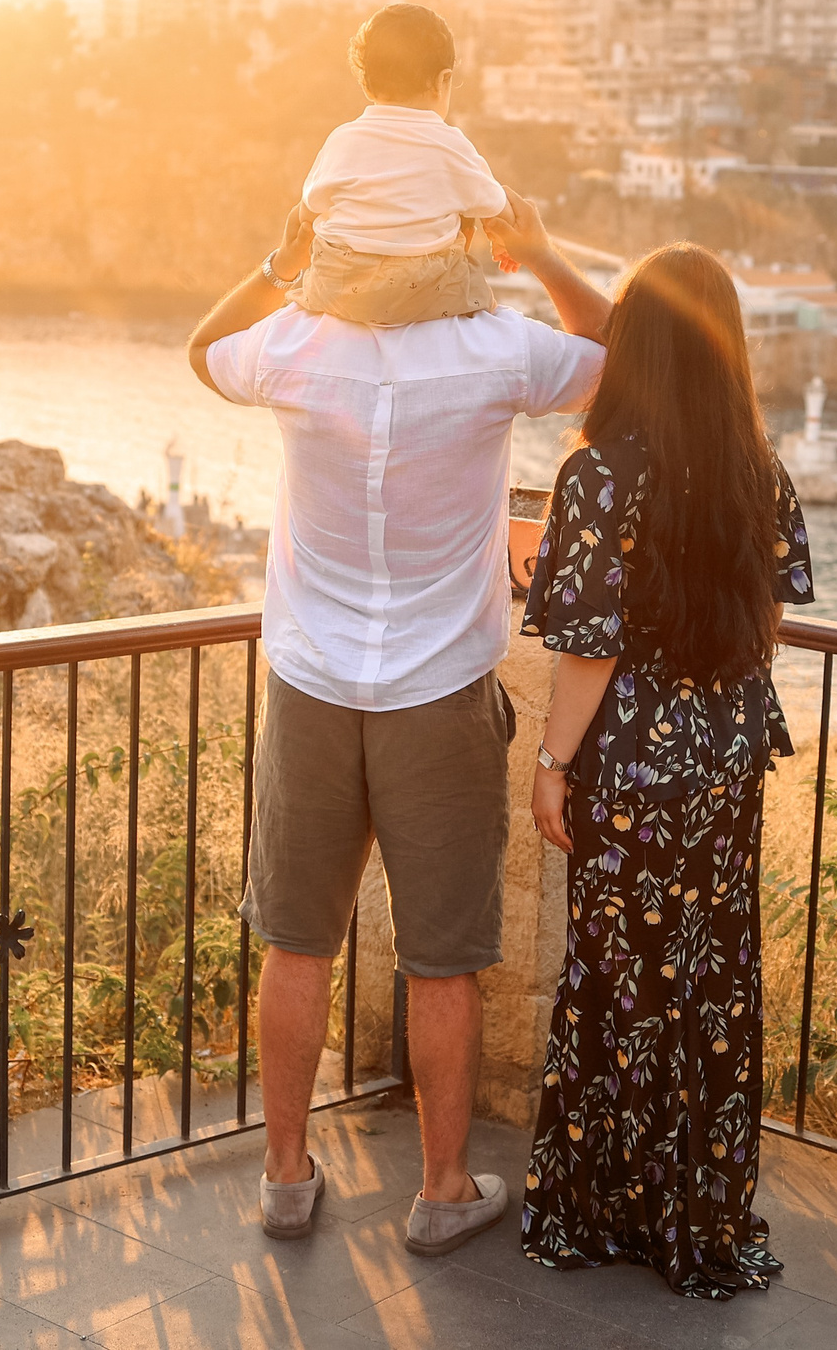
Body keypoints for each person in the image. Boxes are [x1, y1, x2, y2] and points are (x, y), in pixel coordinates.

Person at [187, 187, 610, 1256]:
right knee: (443, 961)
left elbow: (202, 350)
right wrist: (540, 251)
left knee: (296, 942)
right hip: (438, 693)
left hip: (313, 688)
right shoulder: (497, 351)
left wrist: (280, 263)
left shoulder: (294, 343)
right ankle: (442, 1191)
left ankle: (286, 1178)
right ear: (454, 244)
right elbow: (621, 358)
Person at [517, 242, 815, 1299]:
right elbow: (767, 616)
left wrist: (550, 763)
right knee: (710, 981)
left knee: (619, 983)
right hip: (726, 762)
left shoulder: (601, 474)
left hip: (635, 772)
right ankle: (700, 1208)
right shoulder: (755, 470)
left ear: (633, 344)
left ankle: (606, 1206)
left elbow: (588, 646)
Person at [292, 3, 510, 327]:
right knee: (485, 301)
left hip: (337, 291)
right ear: (444, 79)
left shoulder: (341, 139)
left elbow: (307, 212)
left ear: (366, 83)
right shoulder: (452, 144)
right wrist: (502, 242)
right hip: (427, 295)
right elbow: (499, 208)